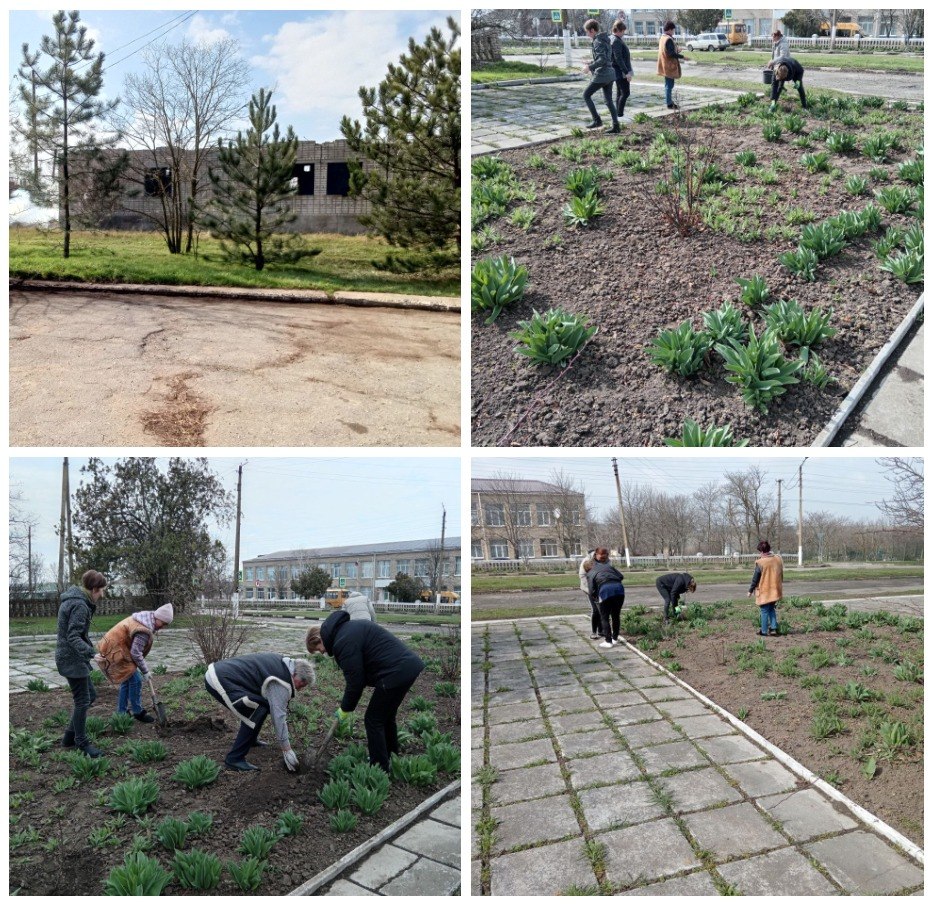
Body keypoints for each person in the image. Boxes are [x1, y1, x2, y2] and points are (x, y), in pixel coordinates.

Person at [306, 610, 424, 771]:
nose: (322, 652)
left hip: (395, 672)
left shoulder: (343, 641)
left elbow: (355, 681)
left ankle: (379, 767)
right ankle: (391, 755)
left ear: (317, 639)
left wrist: (345, 708)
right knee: (386, 717)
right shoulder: (347, 630)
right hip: (406, 667)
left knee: (373, 719)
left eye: (318, 648)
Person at [204, 652, 316, 772]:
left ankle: (251, 740)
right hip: (219, 679)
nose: (299, 689)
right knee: (254, 710)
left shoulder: (285, 664)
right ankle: (234, 759)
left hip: (222, 673)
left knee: (262, 706)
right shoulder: (282, 682)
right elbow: (278, 716)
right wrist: (286, 749)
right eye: (302, 684)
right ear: (294, 674)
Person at [56, 570, 108, 757]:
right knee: (83, 700)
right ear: (94, 589)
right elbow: (73, 636)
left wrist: (92, 650)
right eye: (101, 590)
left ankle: (69, 737)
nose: (102, 594)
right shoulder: (80, 605)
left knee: (90, 695)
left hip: (73, 657)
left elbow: (78, 635)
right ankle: (81, 742)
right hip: (71, 658)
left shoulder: (74, 599)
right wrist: (92, 654)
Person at [96, 602, 174, 724]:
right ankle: (137, 711)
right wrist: (145, 671)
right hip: (116, 651)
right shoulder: (143, 629)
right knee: (136, 680)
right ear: (157, 617)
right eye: (163, 623)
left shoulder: (144, 619)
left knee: (127, 681)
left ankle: (121, 712)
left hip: (115, 648)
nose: (163, 626)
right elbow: (136, 653)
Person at [581, 18, 620, 133]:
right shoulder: (605, 39)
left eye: (587, 32)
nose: (587, 34)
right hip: (610, 74)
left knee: (586, 95)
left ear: (592, 30)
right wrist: (591, 62)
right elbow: (604, 58)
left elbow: (602, 59)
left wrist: (589, 67)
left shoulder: (598, 41)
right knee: (608, 101)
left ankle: (597, 120)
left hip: (602, 75)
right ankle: (616, 126)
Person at [586, 547, 625, 649]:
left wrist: (595, 598)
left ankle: (608, 641)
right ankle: (615, 638)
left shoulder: (590, 572)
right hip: (619, 590)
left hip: (605, 591)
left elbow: (591, 589)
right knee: (616, 616)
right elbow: (621, 577)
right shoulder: (609, 567)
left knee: (604, 617)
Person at [749, 540, 783, 636]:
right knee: (771, 609)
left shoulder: (760, 562)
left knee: (764, 611)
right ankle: (773, 629)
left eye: (760, 551)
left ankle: (763, 631)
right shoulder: (777, 559)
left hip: (765, 591)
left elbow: (755, 578)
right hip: (775, 590)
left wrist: (750, 590)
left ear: (761, 551)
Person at [657, 21, 685, 110]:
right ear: (669, 29)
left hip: (665, 64)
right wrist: (683, 56)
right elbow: (670, 54)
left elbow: (668, 51)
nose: (673, 32)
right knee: (669, 85)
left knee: (667, 85)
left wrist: (677, 50)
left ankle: (669, 102)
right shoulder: (668, 39)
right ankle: (669, 103)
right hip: (669, 65)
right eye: (673, 30)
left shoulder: (663, 37)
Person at [610, 20, 634, 120]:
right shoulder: (616, 40)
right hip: (620, 71)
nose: (624, 33)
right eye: (623, 31)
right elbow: (618, 58)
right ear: (618, 30)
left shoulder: (615, 38)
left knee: (620, 93)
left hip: (618, 71)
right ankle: (619, 114)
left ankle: (618, 114)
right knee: (625, 93)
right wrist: (626, 72)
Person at [578, 550, 600, 639]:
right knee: (595, 610)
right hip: (589, 589)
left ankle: (602, 631)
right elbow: (582, 577)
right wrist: (591, 591)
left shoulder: (603, 561)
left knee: (602, 610)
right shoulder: (586, 562)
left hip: (601, 589)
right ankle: (594, 632)